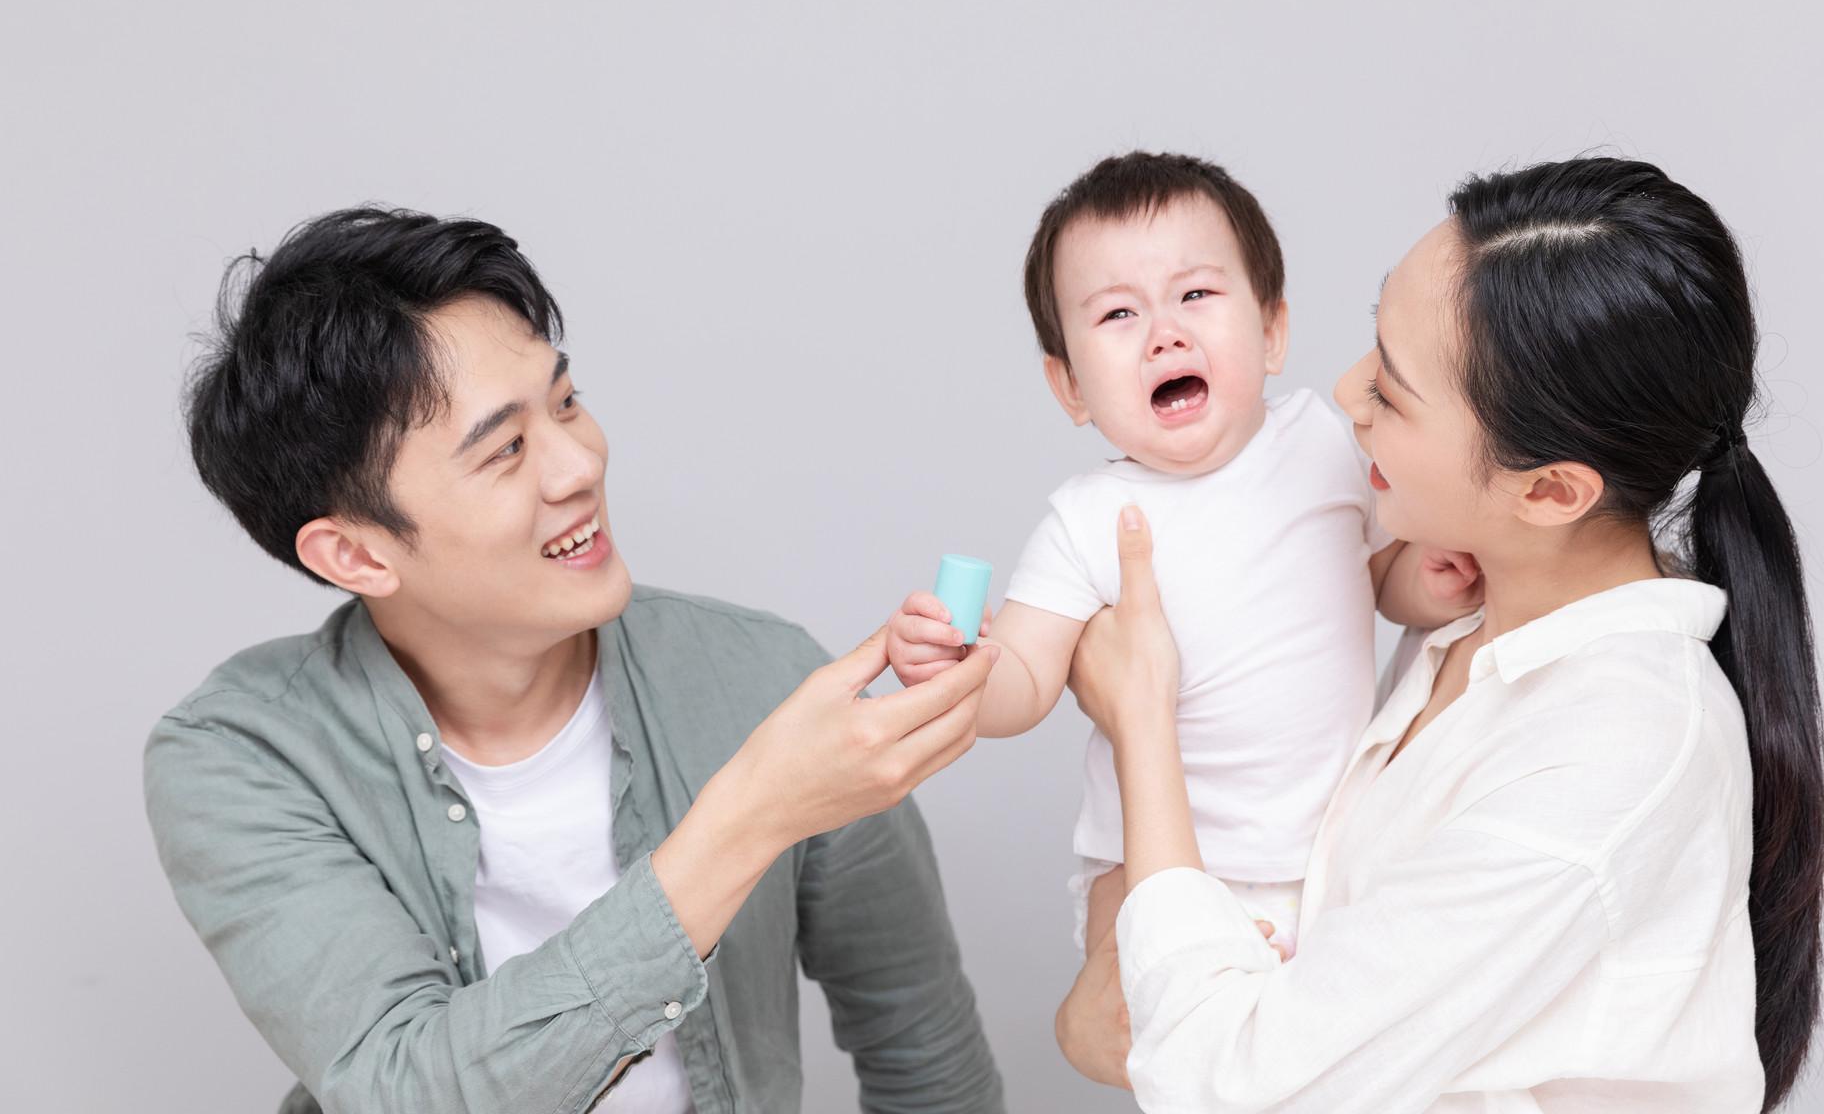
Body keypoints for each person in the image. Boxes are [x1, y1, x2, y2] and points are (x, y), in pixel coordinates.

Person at [143, 207, 1005, 1114]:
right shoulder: (240, 755)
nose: (580, 465)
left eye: (565, 402)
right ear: (355, 555)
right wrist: (751, 816)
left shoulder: (764, 678)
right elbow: (406, 1088)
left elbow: (928, 1064)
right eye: (506, 449)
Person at [1059, 157, 1821, 1110]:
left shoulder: (1615, 752)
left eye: (1393, 391)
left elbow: (1234, 1083)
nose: (1346, 393)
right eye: (1373, 346)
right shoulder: (1471, 603)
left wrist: (1143, 720)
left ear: (1550, 490)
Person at [885, 152, 1478, 957]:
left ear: (1271, 331)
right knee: (1187, 1027)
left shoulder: (1321, 444)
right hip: (1162, 868)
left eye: (1195, 295)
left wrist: (1427, 582)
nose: (1165, 334)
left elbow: (1372, 579)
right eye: (1117, 314)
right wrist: (960, 667)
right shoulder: (1086, 521)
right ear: (1071, 387)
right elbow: (1024, 684)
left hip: (1333, 855)